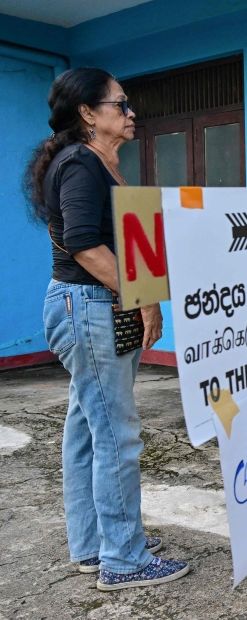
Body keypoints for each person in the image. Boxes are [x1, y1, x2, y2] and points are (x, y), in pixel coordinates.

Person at [25, 68, 190, 590]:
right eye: (120, 104)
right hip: (91, 306)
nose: (131, 112)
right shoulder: (80, 164)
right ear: (88, 114)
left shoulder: (92, 162)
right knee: (116, 434)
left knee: (86, 430)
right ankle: (124, 559)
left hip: (89, 306)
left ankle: (96, 546)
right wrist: (141, 301)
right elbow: (83, 245)